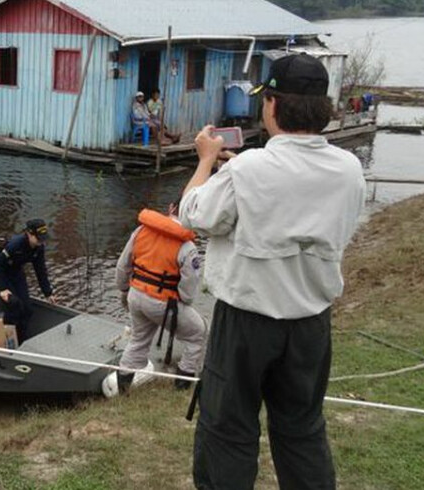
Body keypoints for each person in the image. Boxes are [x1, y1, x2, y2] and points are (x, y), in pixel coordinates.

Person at [179, 53, 366, 490]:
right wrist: (236, 177)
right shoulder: (349, 169)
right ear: (323, 108)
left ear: (274, 105)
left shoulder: (249, 167)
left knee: (228, 427)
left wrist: (207, 161)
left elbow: (194, 214)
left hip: (246, 322)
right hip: (310, 322)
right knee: (301, 426)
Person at [102, 207, 206, 397]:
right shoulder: (187, 247)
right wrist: (177, 301)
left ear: (171, 208)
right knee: (197, 333)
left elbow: (122, 266)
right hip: (164, 304)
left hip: (135, 296)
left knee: (138, 340)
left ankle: (122, 389)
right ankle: (182, 385)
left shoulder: (141, 231)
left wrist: (124, 290)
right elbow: (188, 293)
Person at [0, 219, 55, 343]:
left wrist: (48, 292)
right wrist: (2, 289)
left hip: (16, 273)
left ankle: (21, 340)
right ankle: (7, 341)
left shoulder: (38, 248)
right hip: (1, 273)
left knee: (27, 309)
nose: (41, 242)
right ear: (29, 234)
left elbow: (40, 270)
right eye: (39, 238)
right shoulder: (15, 245)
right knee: (13, 306)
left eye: (43, 239)